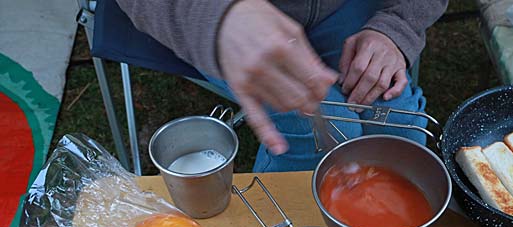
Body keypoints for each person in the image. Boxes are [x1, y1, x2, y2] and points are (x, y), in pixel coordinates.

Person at [115, 0, 448, 171]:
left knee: (400, 130)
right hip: (219, 16)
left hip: (346, 9)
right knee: (314, 132)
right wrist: (214, 19)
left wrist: (398, 26)